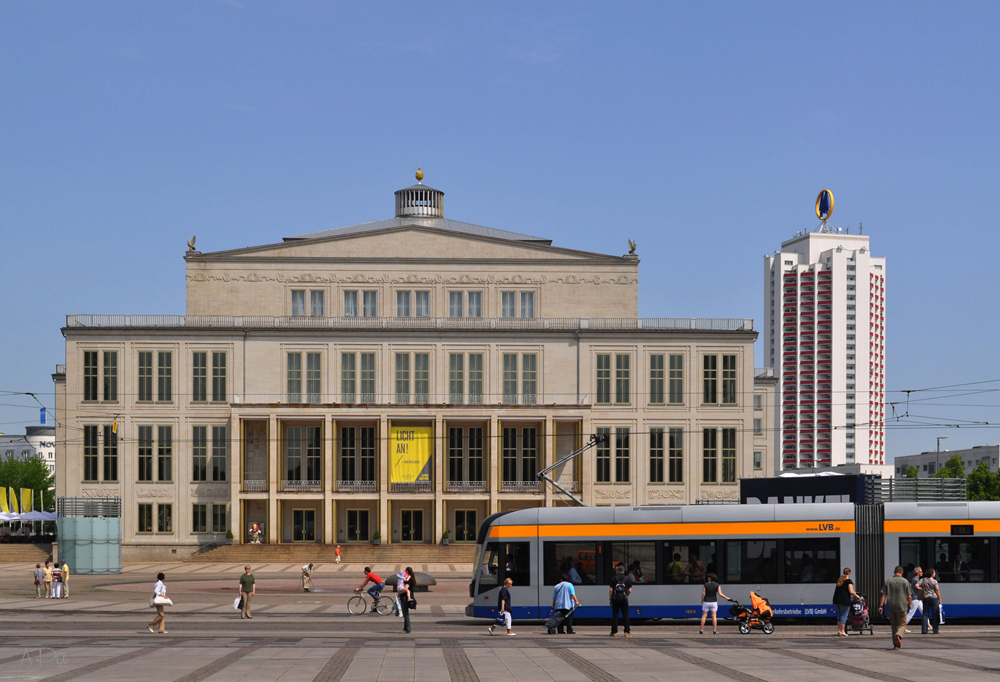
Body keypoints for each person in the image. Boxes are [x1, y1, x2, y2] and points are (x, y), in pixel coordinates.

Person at [878, 565, 913, 649]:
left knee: (894, 625)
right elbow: (909, 596)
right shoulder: (905, 581)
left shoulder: (888, 581)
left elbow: (884, 595)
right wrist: (909, 604)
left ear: (894, 572)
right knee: (902, 624)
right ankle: (898, 635)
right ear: (902, 572)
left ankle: (895, 644)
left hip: (891, 607)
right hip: (901, 606)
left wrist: (881, 606)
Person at [833, 567, 859, 636]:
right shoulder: (848, 581)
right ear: (849, 573)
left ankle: (839, 630)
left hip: (836, 600)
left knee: (840, 615)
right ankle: (842, 631)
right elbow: (851, 591)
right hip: (844, 601)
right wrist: (857, 596)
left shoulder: (840, 580)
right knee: (844, 615)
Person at [609, 563, 633, 637]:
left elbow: (611, 590)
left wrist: (611, 599)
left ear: (618, 571)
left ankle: (614, 632)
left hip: (615, 599)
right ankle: (627, 632)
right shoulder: (627, 578)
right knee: (625, 615)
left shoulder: (614, 578)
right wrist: (626, 596)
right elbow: (630, 590)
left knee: (615, 615)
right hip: (624, 599)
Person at [919, 568, 942, 634]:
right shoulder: (934, 581)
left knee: (925, 614)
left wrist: (921, 589)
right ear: (932, 574)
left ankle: (924, 630)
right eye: (934, 572)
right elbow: (937, 591)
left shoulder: (923, 580)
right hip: (934, 598)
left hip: (926, 597)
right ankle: (935, 629)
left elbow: (916, 585)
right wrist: (940, 599)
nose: (935, 573)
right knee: (935, 613)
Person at [904, 566, 923, 632]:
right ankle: (903, 626)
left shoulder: (915, 579)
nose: (922, 572)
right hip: (915, 598)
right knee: (911, 613)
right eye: (921, 571)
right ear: (918, 572)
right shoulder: (916, 579)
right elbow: (916, 587)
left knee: (923, 611)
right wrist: (922, 589)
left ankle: (929, 625)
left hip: (917, 598)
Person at [399, 566, 416, 634]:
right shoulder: (410, 578)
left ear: (407, 572)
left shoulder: (409, 580)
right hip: (405, 597)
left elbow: (406, 588)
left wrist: (400, 592)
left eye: (405, 571)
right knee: (405, 613)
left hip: (405, 598)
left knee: (405, 614)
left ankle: (407, 628)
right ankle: (405, 628)